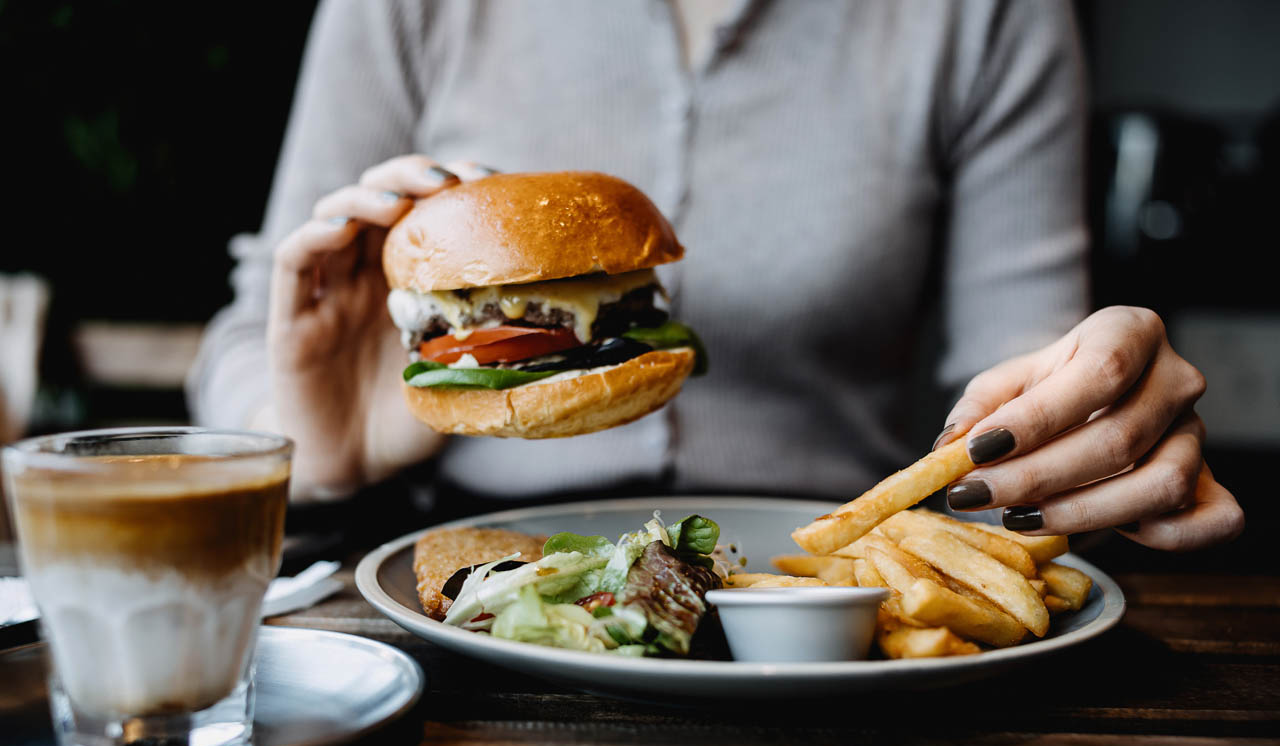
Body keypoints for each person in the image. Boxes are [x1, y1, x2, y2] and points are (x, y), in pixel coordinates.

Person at [188, 0, 1242, 551]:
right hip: (467, 579)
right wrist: (306, 437)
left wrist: (1090, 418)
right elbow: (248, 336)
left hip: (829, 582)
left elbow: (1025, 382)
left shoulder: (981, 11)